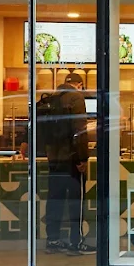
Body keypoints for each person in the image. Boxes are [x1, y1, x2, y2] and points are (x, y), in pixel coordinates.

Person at [39, 73, 93, 256]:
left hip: (54, 159)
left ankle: (53, 240)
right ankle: (76, 242)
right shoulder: (76, 97)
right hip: (71, 160)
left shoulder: (52, 98)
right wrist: (82, 158)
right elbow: (80, 131)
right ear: (79, 84)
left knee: (55, 200)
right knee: (75, 202)